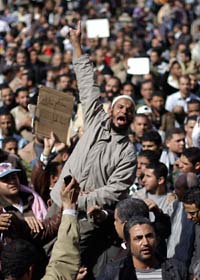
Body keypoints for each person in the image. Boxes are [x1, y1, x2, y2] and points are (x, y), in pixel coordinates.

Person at [50, 21, 136, 277]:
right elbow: (86, 82)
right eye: (120, 107)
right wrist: (76, 43)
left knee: (68, 262)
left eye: (129, 111)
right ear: (111, 111)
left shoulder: (128, 152)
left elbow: (115, 190)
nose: (124, 112)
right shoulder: (95, 120)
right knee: (44, 250)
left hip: (86, 217)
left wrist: (81, 199)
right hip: (57, 202)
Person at [1, 177, 81, 280]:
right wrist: (69, 208)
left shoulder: (9, 219)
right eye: (5, 180)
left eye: (13, 177)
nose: (12, 181)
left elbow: (43, 231)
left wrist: (64, 210)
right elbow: (64, 264)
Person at [97, 216, 187, 280]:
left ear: (157, 240)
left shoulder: (177, 269)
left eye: (149, 236)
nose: (145, 243)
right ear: (128, 244)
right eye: (138, 238)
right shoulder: (114, 272)